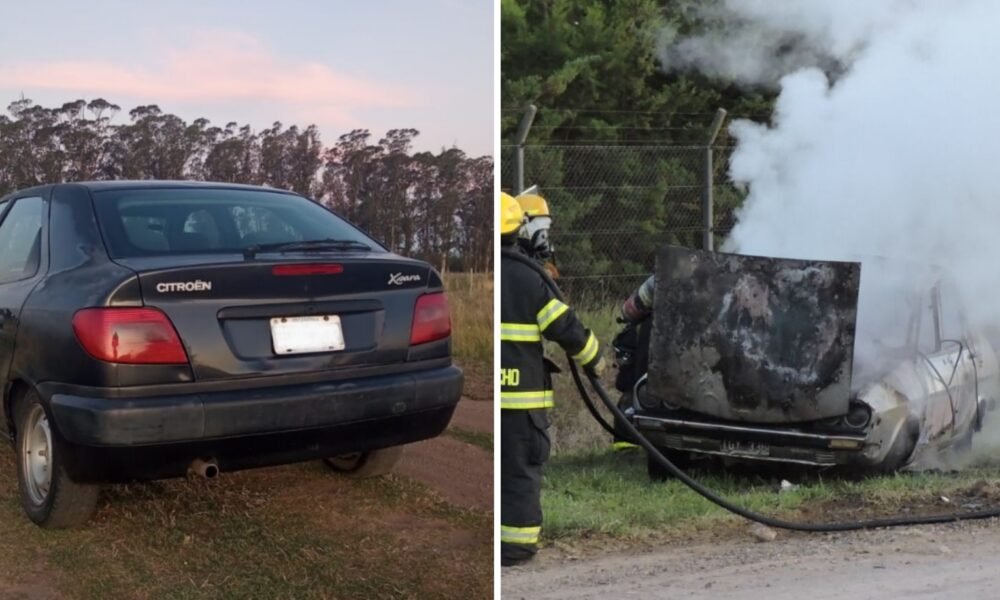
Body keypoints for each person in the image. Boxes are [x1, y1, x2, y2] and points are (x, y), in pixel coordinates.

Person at [500, 191, 605, 567]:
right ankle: (514, 546)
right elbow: (566, 328)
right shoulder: (530, 278)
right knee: (519, 472)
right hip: (522, 401)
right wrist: (596, 358)